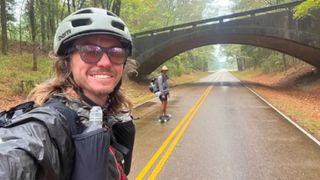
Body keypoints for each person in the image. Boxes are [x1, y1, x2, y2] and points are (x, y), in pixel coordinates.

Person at [0, 7, 135, 180]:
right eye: (90, 51)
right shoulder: (51, 125)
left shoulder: (111, 116)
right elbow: (17, 155)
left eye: (116, 53)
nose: (105, 62)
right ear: (66, 62)